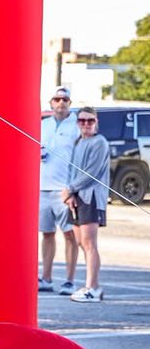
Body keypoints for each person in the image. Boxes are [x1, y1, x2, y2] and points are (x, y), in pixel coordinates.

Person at [64, 106, 110, 303]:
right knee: (81, 242)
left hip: (91, 197)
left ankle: (93, 287)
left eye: (90, 120)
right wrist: (70, 194)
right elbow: (71, 169)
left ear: (96, 122)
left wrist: (71, 187)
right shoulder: (77, 142)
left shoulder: (99, 143)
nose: (86, 124)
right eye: (82, 121)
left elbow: (91, 173)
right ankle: (90, 284)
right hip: (76, 197)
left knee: (90, 243)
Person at [39, 86, 80, 294]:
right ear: (51, 103)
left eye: (65, 100)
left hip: (65, 190)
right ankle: (46, 278)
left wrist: (73, 189)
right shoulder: (43, 125)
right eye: (57, 99)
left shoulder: (76, 126)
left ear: (70, 103)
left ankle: (70, 280)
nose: (61, 103)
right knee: (47, 234)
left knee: (69, 234)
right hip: (43, 188)